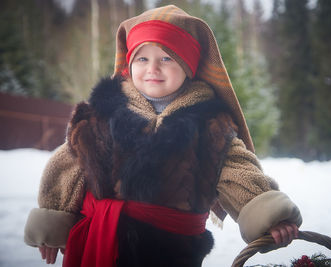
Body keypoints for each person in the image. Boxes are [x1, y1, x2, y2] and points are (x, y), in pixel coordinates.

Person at [24, 5, 302, 267]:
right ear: (130, 63)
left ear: (188, 66)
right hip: (101, 244)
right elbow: (67, 166)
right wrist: (55, 216)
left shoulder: (209, 125)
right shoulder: (103, 113)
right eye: (142, 58)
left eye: (166, 58)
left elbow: (239, 172)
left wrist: (269, 217)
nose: (152, 69)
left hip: (173, 252)